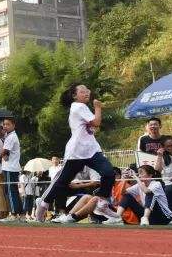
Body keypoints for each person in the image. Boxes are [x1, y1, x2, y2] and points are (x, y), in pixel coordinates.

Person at [35, 83, 116, 222]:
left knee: (109, 173)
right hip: (77, 152)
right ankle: (43, 204)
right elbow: (96, 122)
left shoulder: (83, 108)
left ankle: (102, 202)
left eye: (87, 90)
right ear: (74, 96)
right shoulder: (78, 106)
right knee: (62, 181)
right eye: (83, 91)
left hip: (91, 150)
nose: (87, 93)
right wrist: (98, 107)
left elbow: (91, 127)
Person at [0, 117, 23, 221]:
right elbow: (5, 153)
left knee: (11, 191)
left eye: (8, 124)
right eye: (4, 124)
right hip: (11, 167)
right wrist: (4, 154)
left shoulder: (11, 137)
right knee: (13, 191)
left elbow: (3, 152)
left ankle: (13, 214)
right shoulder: (8, 136)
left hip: (10, 168)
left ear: (13, 125)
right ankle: (21, 214)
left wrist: (3, 154)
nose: (5, 126)